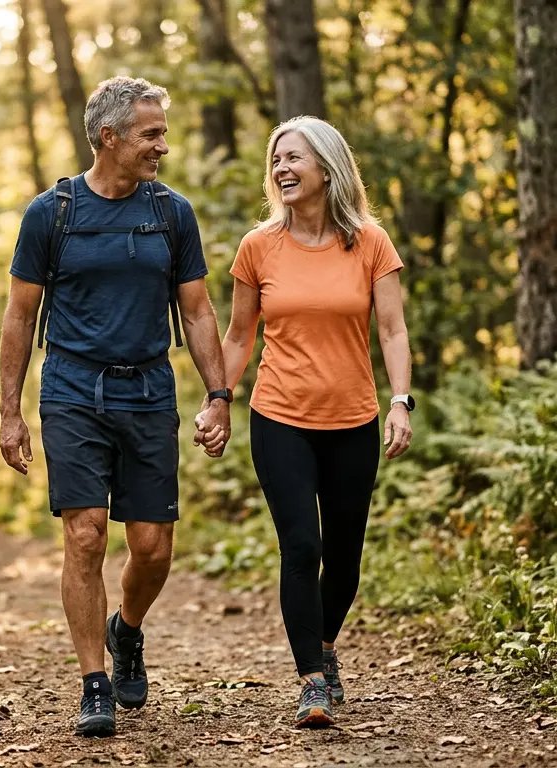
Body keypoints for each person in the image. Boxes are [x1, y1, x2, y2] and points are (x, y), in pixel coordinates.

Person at [0, 76, 230, 738]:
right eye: (152, 134)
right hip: (72, 387)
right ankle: (93, 680)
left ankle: (126, 629)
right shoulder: (54, 212)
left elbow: (197, 310)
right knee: (85, 532)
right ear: (110, 138)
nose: (164, 145)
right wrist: (9, 411)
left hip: (149, 388)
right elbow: (19, 314)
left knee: (152, 547)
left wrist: (218, 395)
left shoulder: (171, 213)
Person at [201, 116, 413, 728]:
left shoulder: (370, 241)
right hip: (280, 416)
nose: (282, 169)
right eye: (276, 161)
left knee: (345, 554)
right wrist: (220, 398)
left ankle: (324, 644)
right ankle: (312, 681)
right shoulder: (257, 246)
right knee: (302, 545)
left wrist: (401, 401)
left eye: (293, 158)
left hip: (353, 419)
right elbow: (240, 335)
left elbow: (393, 330)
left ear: (327, 166)